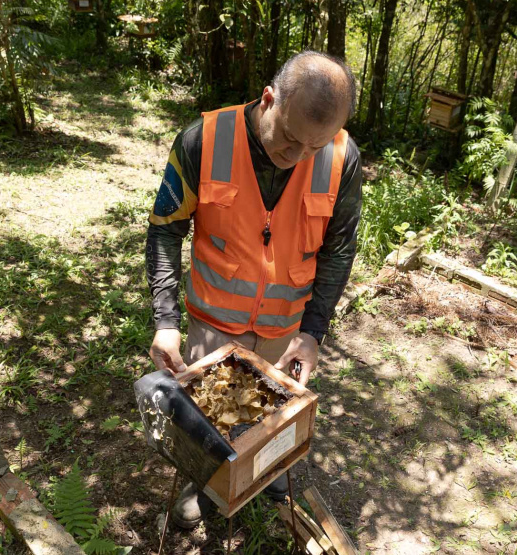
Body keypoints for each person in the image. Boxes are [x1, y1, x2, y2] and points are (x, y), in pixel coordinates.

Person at [145, 50, 362, 529]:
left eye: (314, 147)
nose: (298, 157)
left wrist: (313, 333)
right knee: (206, 422)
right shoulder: (203, 140)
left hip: (285, 332)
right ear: (269, 100)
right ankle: (204, 487)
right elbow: (165, 230)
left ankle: (270, 474)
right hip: (213, 327)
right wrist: (165, 321)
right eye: (290, 140)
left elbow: (338, 252)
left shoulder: (341, 157)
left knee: (275, 420)